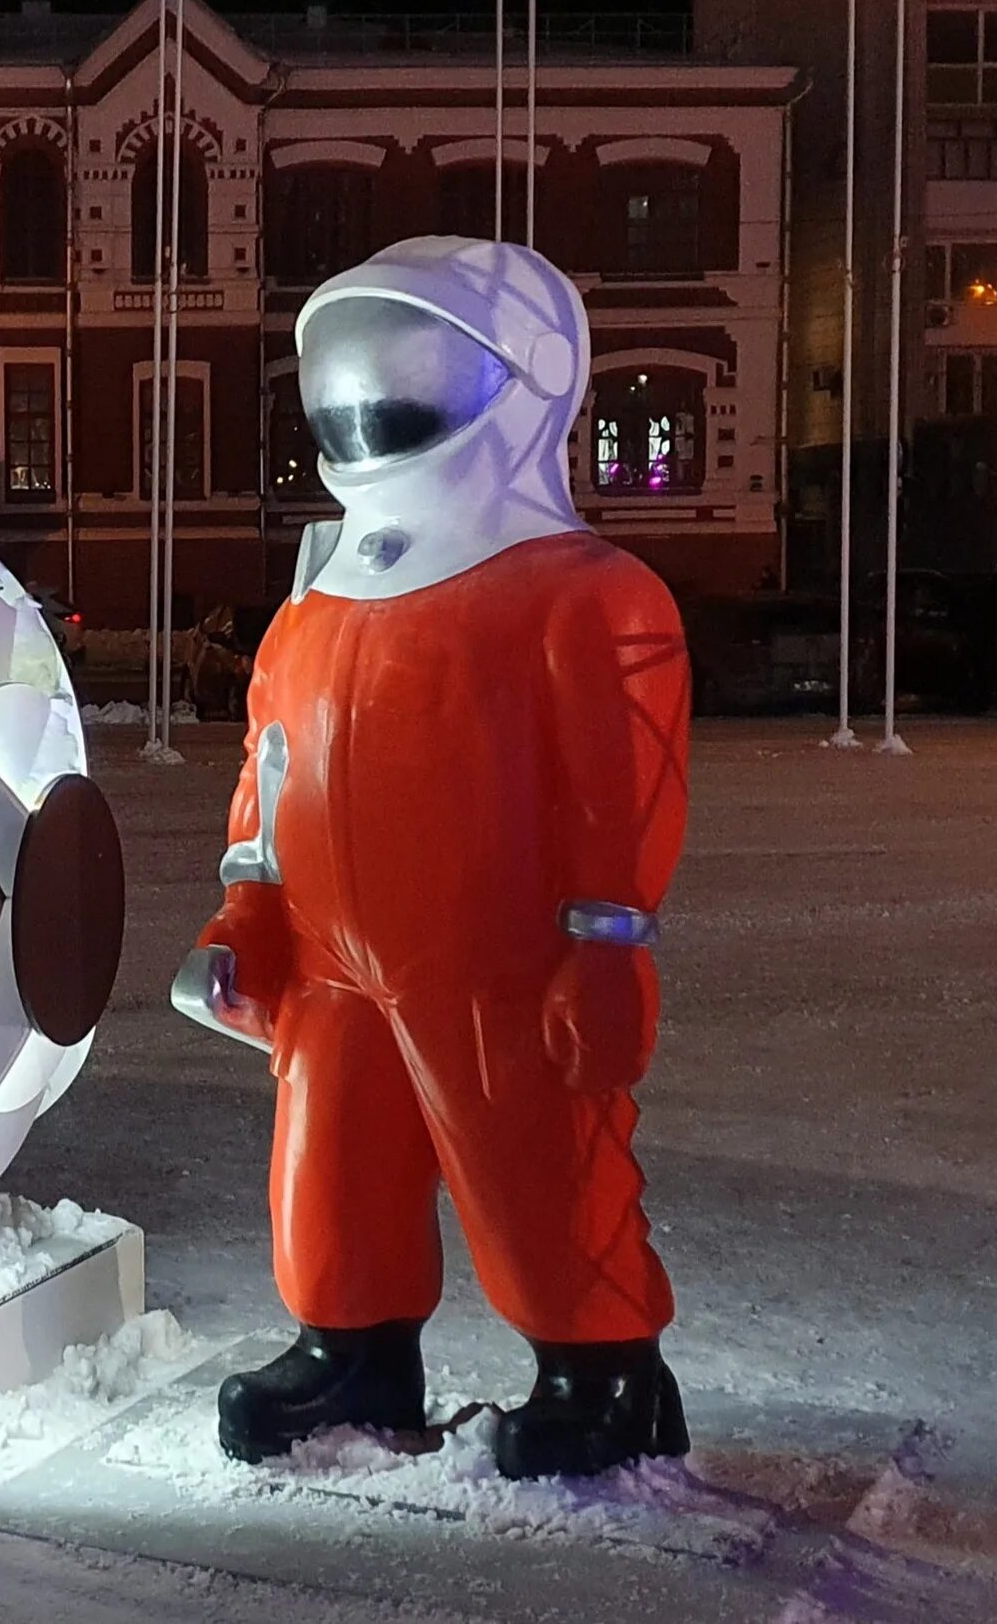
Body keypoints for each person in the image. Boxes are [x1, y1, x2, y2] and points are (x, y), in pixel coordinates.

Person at [172, 237, 692, 1481]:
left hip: (499, 948)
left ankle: (600, 1370)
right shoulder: (310, 606)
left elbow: (624, 788)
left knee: (533, 1155)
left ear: (530, 374)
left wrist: (606, 940)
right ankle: (349, 1345)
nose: (364, 409)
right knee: (330, 1157)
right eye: (346, 380)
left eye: (407, 376)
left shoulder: (587, 594)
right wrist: (247, 909)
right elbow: (270, 770)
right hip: (330, 954)